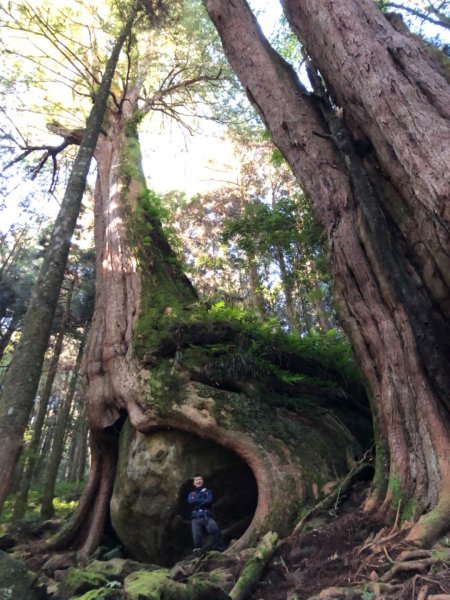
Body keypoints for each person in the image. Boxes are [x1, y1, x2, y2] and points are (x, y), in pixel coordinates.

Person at [187, 474, 226, 555]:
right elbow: (191, 501)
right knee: (196, 537)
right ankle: (199, 554)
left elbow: (209, 500)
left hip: (206, 515)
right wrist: (202, 501)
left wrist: (197, 502)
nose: (198, 481)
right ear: (194, 483)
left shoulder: (208, 491)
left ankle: (221, 550)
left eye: (200, 479)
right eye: (196, 480)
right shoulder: (191, 493)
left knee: (215, 530)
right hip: (195, 517)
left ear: (202, 481)